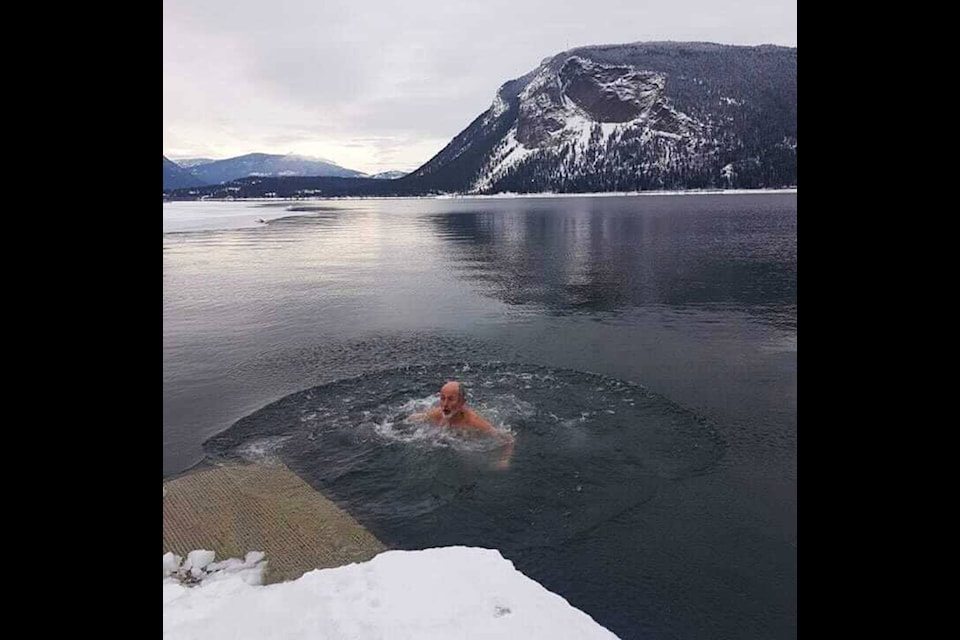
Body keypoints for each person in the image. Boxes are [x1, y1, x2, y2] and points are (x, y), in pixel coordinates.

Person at [410, 381, 515, 469]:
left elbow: (508, 439)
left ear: (462, 402)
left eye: (451, 399)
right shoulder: (438, 413)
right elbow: (414, 418)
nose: (445, 404)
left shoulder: (474, 422)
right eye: (442, 398)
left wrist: (505, 459)